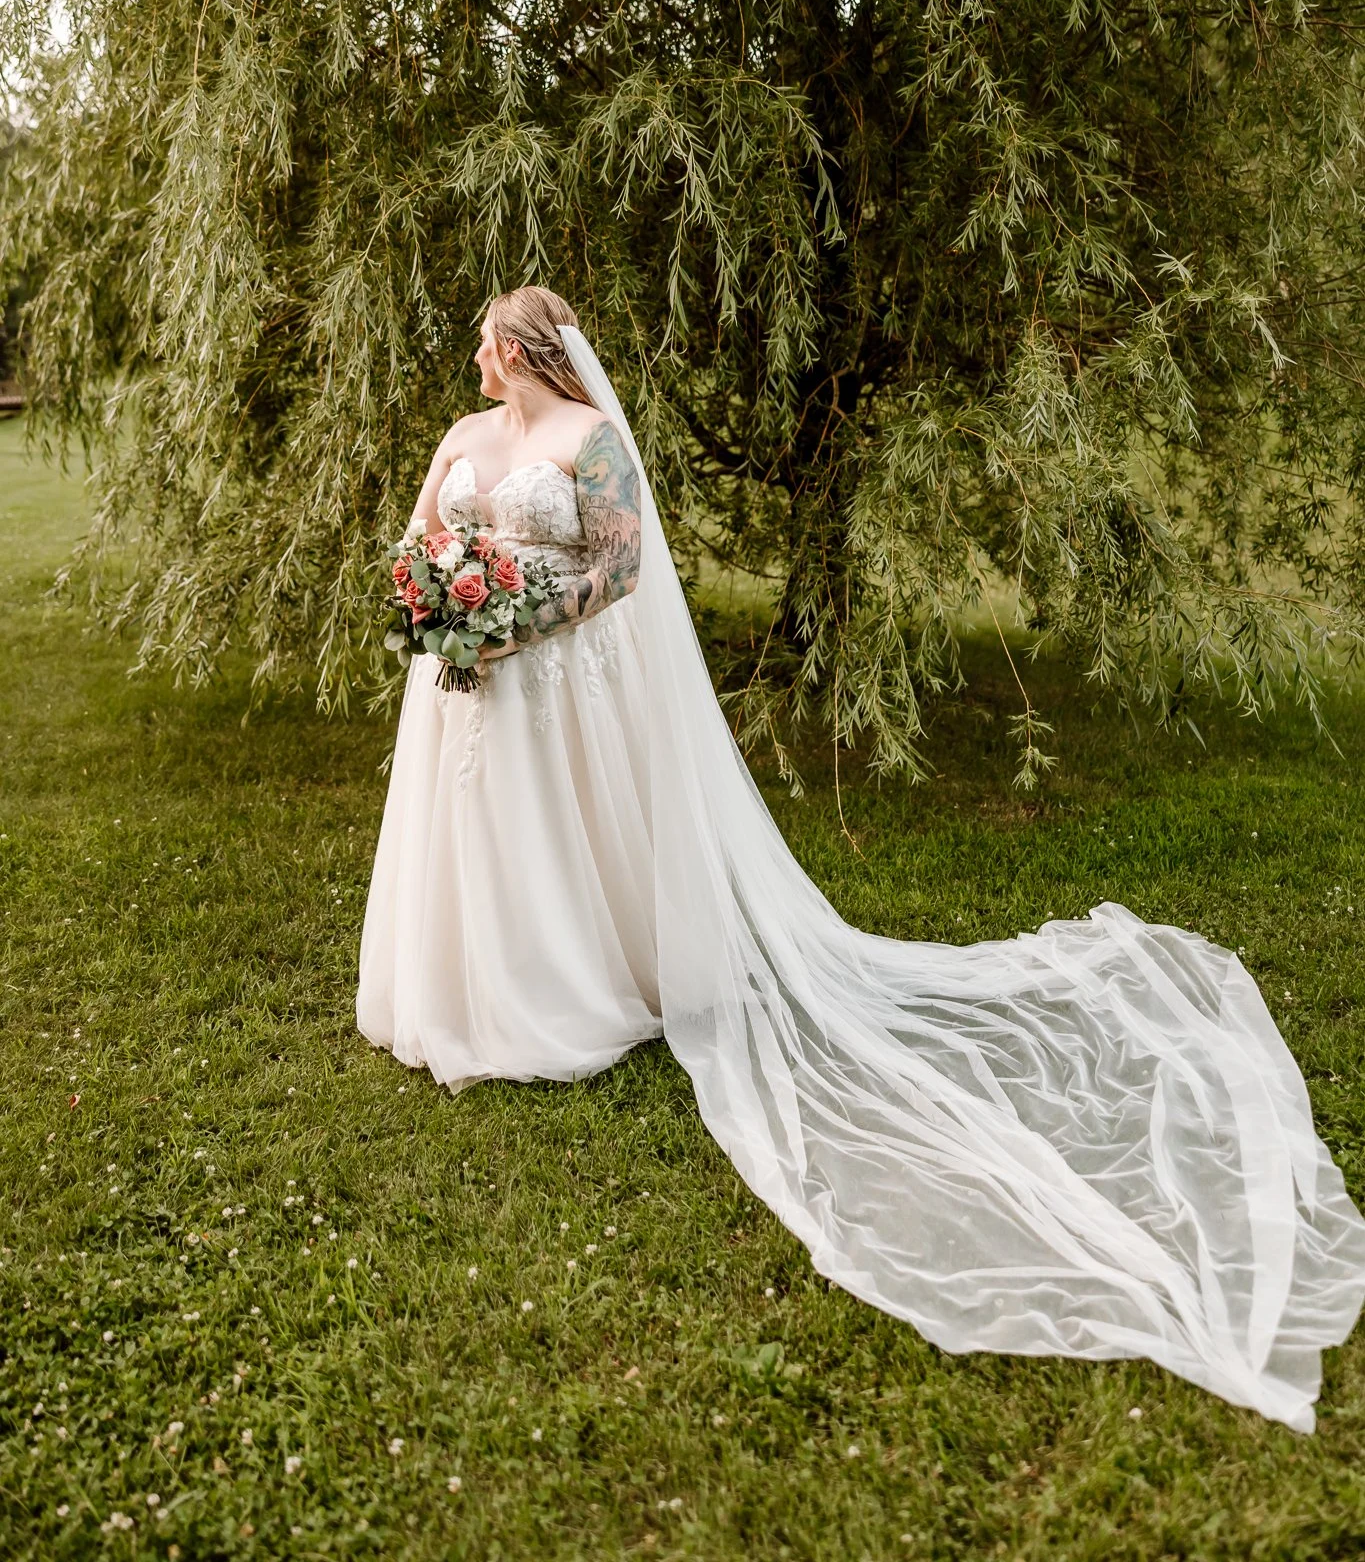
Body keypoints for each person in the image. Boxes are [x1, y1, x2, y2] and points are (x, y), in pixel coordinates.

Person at [358, 284, 1365, 1432]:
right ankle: (457, 986)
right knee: (472, 834)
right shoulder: (462, 436)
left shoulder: (593, 443)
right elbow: (415, 545)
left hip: (555, 677)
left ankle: (568, 981)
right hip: (460, 681)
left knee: (562, 841)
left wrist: (528, 613)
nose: (474, 359)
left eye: (486, 341)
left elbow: (622, 567)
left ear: (525, 348)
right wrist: (437, 601)